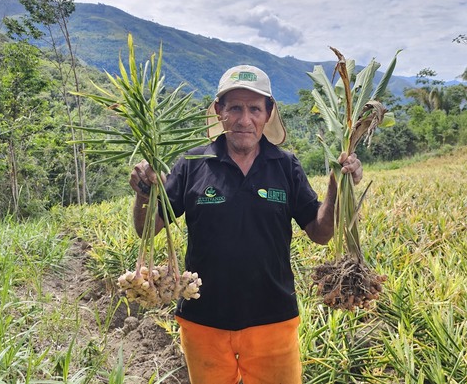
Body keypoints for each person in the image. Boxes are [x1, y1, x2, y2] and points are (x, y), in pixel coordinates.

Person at [130, 65, 362, 384]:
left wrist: (338, 188)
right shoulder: (192, 164)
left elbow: (320, 232)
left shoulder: (286, 165)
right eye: (235, 108)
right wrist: (144, 192)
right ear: (219, 111)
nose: (244, 120)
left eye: (254, 109)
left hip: (274, 320)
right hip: (203, 321)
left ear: (268, 113)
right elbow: (147, 229)